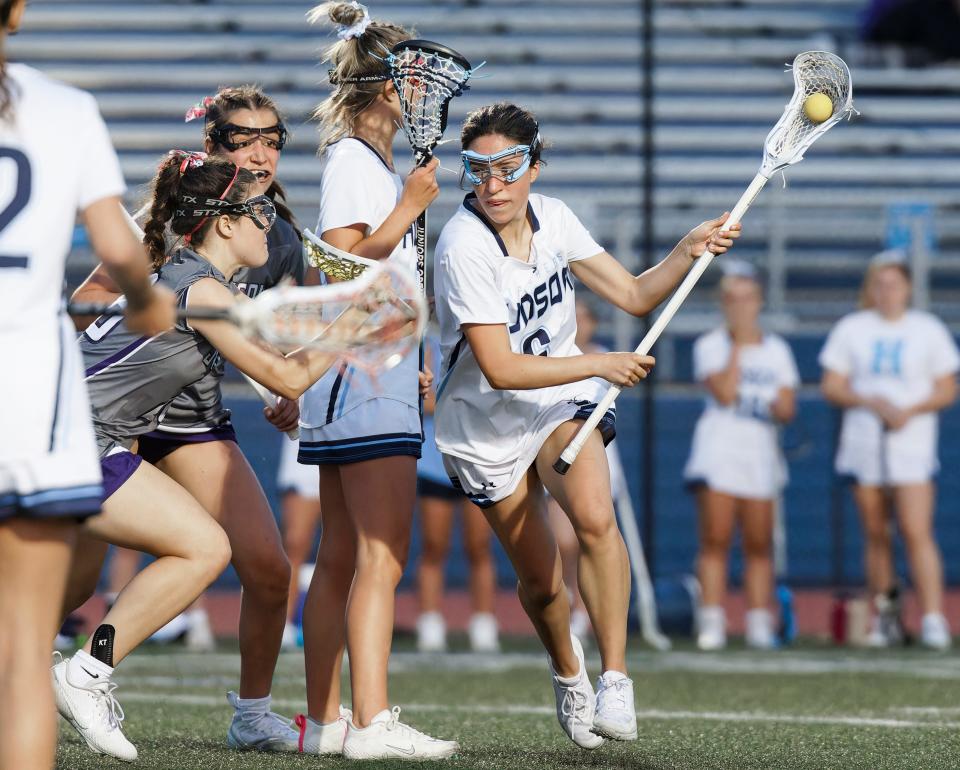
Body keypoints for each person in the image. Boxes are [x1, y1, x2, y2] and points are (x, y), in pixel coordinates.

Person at [433, 101, 740, 748]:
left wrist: (686, 250)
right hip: (485, 421)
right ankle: (569, 672)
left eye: (508, 167)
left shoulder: (557, 218)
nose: (493, 185)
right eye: (479, 170)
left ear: (535, 166)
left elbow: (632, 295)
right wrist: (603, 361)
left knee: (595, 518)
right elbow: (499, 368)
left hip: (561, 394)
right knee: (542, 582)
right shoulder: (463, 247)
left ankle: (617, 679)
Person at [54, 154, 354, 762]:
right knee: (205, 548)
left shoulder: (185, 273)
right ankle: (84, 674)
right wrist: (355, 325)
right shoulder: (203, 287)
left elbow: (276, 356)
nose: (270, 224)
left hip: (63, 431)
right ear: (223, 223)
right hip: (76, 438)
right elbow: (284, 376)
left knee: (68, 585)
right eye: (259, 212)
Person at [0, 1, 172, 764]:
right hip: (31, 390)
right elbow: (117, 246)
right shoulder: (63, 108)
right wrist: (144, 300)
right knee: (22, 651)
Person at [294, 3, 455, 760]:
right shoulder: (355, 163)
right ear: (385, 86)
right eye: (413, 80)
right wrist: (413, 205)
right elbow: (343, 263)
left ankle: (327, 721)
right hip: (363, 371)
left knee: (341, 556)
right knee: (382, 555)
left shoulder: (370, 163)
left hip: (369, 364)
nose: (424, 93)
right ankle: (371, 721)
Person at [820, 251, 958, 650]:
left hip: (912, 445)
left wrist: (908, 410)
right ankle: (887, 616)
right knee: (876, 534)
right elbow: (833, 384)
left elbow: (946, 387)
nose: (886, 292)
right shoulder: (853, 328)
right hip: (865, 443)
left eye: (894, 284)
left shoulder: (927, 329)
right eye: (879, 284)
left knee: (916, 531)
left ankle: (933, 616)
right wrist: (873, 402)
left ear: (908, 288)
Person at [683, 261, 799, 651]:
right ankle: (712, 620)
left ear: (759, 302)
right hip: (719, 453)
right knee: (715, 539)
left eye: (748, 299)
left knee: (759, 543)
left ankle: (758, 621)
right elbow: (726, 392)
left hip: (759, 457)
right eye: (732, 300)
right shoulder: (711, 345)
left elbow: (786, 408)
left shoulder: (777, 350)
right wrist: (738, 346)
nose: (740, 307)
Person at [545, 299, 631, 646]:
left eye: (585, 317)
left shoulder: (604, 356)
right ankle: (565, 601)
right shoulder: (548, 352)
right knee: (562, 540)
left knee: (596, 534)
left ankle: (588, 616)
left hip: (590, 452)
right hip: (555, 450)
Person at [415, 332, 499, 654]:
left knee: (479, 546)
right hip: (437, 460)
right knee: (434, 545)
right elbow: (426, 400)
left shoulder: (483, 334)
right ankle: (430, 622)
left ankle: (483, 624)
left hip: (478, 457)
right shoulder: (428, 341)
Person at [276, 436, 321, 649]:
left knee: (352, 546)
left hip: (352, 447)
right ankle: (283, 625)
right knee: (295, 544)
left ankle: (346, 625)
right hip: (305, 449)